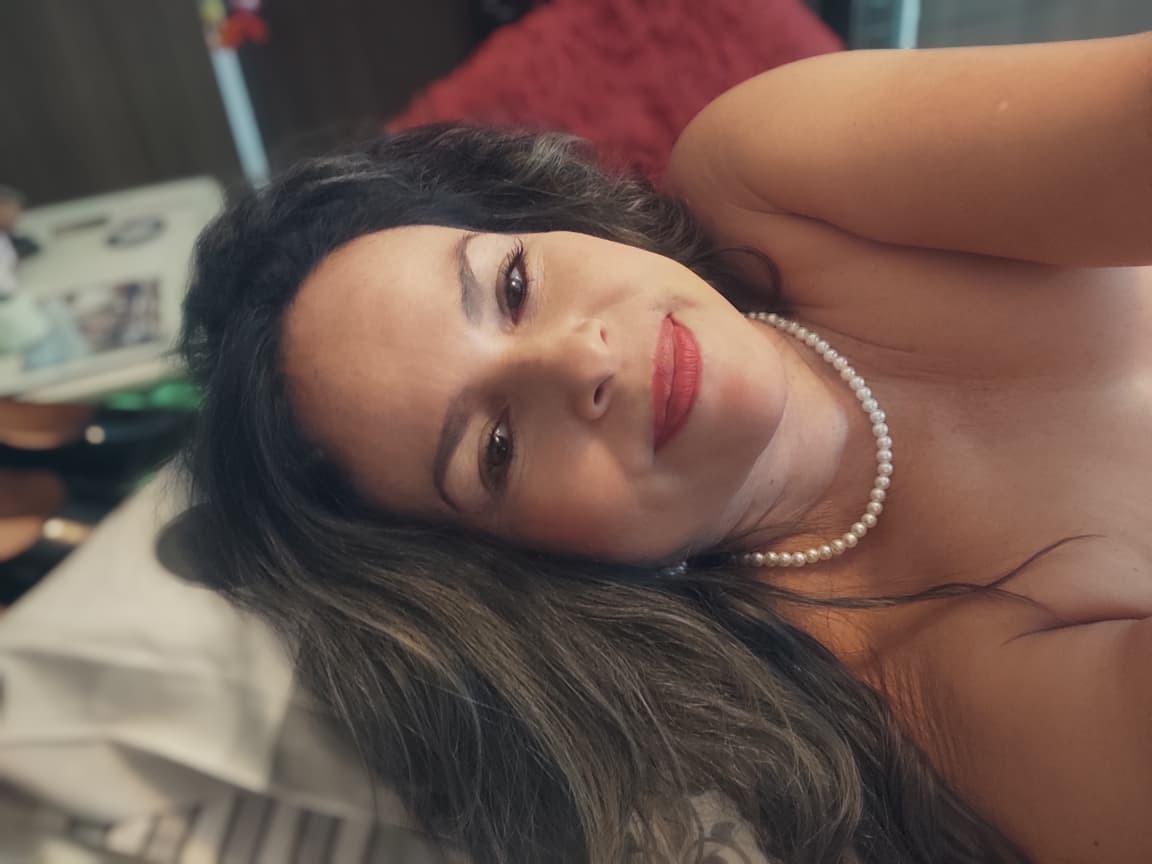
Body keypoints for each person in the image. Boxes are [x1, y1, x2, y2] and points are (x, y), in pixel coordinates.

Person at [177, 31, 1152, 864]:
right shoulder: (922, 700)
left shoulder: (768, 173)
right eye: (498, 447)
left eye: (513, 286)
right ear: (529, 570)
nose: (581, 359)